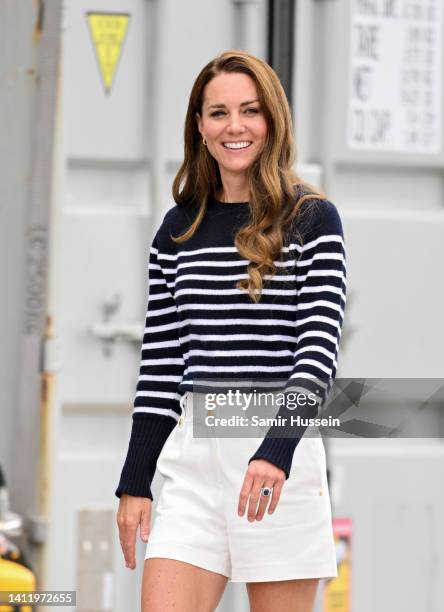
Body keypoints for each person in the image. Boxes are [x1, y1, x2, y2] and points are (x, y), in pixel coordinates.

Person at [116, 49, 347, 612]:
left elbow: (317, 351)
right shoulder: (178, 229)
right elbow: (162, 364)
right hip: (193, 463)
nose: (235, 126)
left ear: (272, 120)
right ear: (199, 125)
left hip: (278, 460)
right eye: (218, 113)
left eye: (250, 110)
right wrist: (134, 480)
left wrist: (276, 450)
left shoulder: (311, 218)